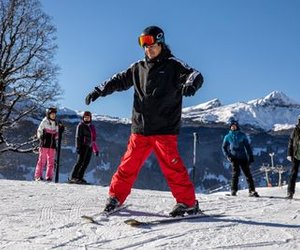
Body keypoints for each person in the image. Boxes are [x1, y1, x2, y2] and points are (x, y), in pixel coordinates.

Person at [85, 25, 204, 216]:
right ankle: (115, 197)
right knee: (128, 165)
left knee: (173, 168)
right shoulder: (138, 67)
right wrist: (99, 89)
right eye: (143, 44)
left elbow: (195, 75)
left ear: (160, 42)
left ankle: (188, 203)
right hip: (140, 128)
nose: (147, 48)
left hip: (164, 128)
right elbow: (117, 80)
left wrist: (190, 84)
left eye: (150, 44)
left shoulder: (173, 65)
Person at [222, 119, 259, 197]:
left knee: (248, 174)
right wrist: (228, 155)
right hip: (234, 157)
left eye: (235, 126)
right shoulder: (228, 137)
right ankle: (233, 190)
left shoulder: (242, 135)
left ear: (237, 127)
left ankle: (252, 191)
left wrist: (250, 156)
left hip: (243, 157)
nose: (233, 127)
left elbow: (247, 146)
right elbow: (224, 147)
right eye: (232, 126)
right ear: (230, 127)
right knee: (235, 174)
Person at [69, 111, 99, 184]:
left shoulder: (92, 127)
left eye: (88, 117)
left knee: (86, 163)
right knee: (80, 162)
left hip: (90, 147)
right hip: (83, 146)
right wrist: (78, 147)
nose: (86, 118)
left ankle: (80, 177)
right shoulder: (81, 125)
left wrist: (96, 150)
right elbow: (77, 137)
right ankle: (73, 177)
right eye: (85, 117)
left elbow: (93, 139)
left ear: (90, 118)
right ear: (83, 118)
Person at [34, 107, 59, 181]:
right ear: (48, 114)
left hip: (52, 145)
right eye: (52, 114)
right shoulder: (44, 121)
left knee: (51, 162)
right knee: (42, 161)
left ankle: (49, 177)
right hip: (44, 144)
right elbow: (39, 130)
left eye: (54, 114)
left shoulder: (56, 123)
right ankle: (38, 176)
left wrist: (60, 131)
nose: (53, 115)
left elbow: (57, 134)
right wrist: (40, 136)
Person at [286, 115, 300, 199]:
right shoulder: (295, 130)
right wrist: (289, 154)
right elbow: (290, 142)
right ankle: (290, 192)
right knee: (293, 174)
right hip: (296, 155)